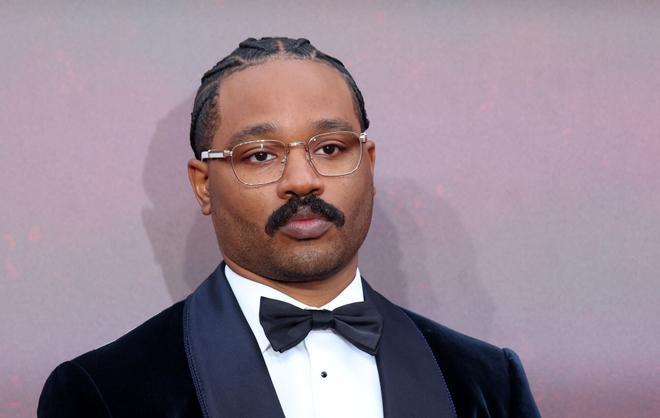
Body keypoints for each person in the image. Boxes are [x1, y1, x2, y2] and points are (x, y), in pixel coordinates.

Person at [38, 37, 541, 418]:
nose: (302, 180)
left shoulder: (489, 384)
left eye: (330, 148)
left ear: (368, 164)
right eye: (260, 155)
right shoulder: (102, 394)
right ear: (204, 185)